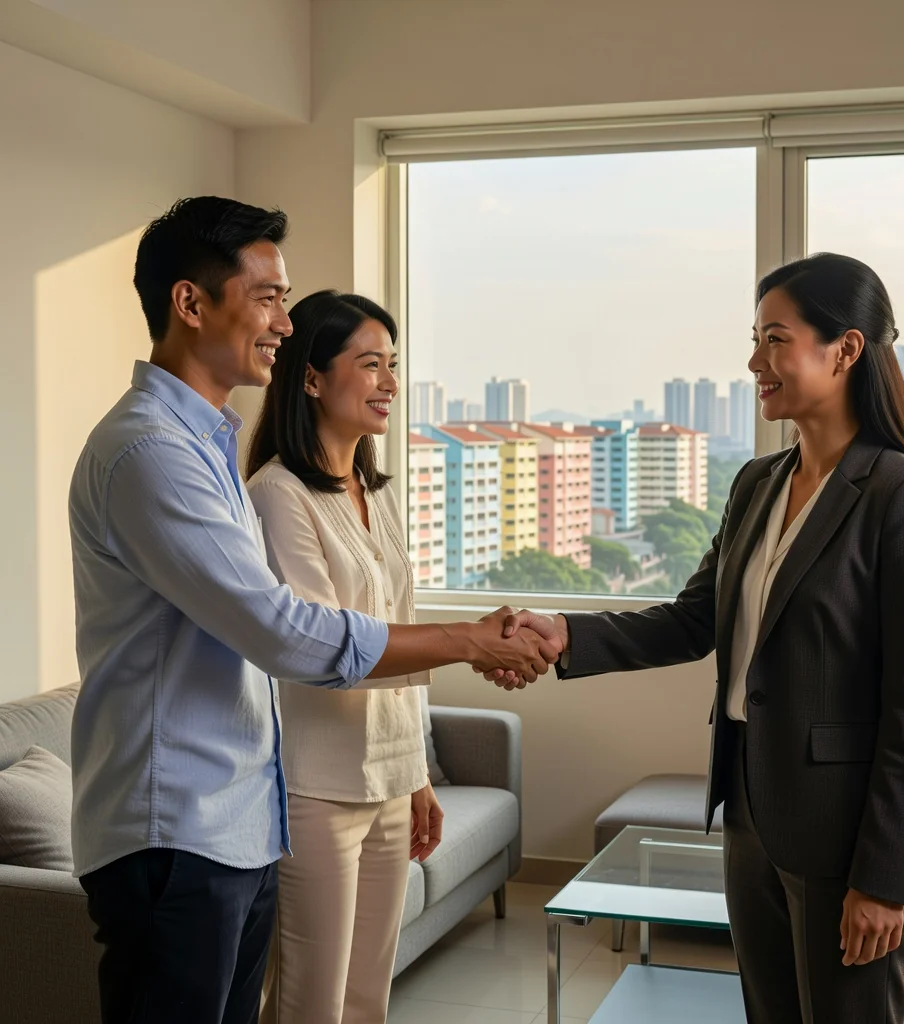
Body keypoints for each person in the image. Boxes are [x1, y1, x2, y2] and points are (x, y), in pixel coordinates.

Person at [68, 196, 560, 1024]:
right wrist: (468, 642)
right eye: (268, 298)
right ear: (191, 304)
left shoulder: (205, 445)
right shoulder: (151, 453)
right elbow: (283, 630)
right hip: (175, 829)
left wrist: (414, 765)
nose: (285, 324)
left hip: (233, 823)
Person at [492, 253, 904, 1023]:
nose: (754, 363)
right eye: (755, 339)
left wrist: (881, 879)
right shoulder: (758, 484)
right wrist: (563, 633)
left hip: (845, 835)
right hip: (749, 813)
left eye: (776, 340)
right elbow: (690, 619)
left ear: (844, 351)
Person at [244, 290, 436, 1023]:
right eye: (370, 365)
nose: (389, 381)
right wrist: (465, 645)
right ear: (313, 378)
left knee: (367, 1000)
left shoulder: (374, 491)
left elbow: (399, 620)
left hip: (388, 778)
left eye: (393, 365)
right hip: (315, 788)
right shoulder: (277, 495)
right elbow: (321, 644)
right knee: (311, 1003)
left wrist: (416, 772)